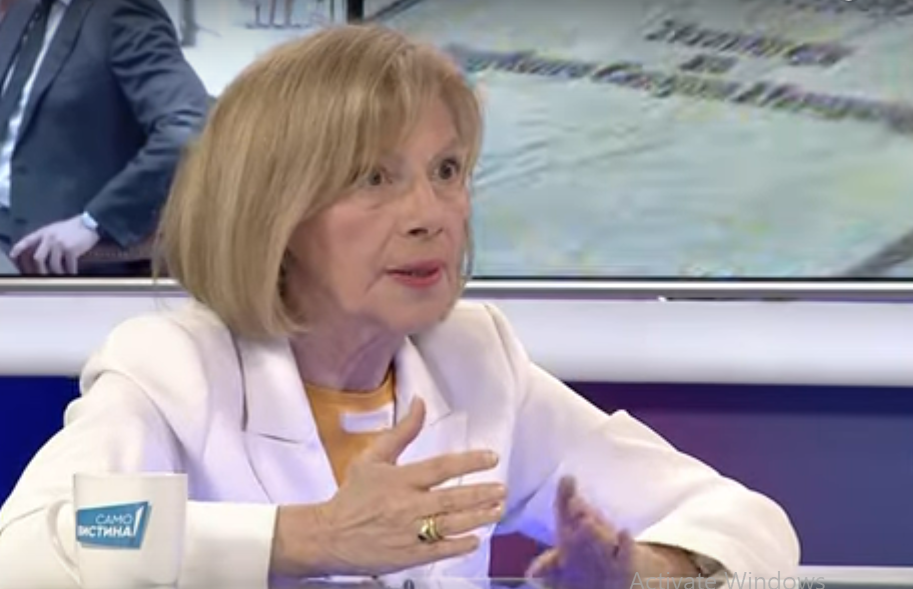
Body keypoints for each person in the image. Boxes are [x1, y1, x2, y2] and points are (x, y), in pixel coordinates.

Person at [0, 24, 800, 588]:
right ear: (272, 212)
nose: (431, 214)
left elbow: (744, 522)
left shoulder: (474, 359)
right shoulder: (174, 369)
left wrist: (638, 572)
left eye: (446, 170)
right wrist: (306, 537)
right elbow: (31, 552)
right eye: (374, 178)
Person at [0, 0, 209, 276]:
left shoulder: (123, 12)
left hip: (41, 257)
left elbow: (188, 128)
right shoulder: (22, 10)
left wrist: (95, 221)